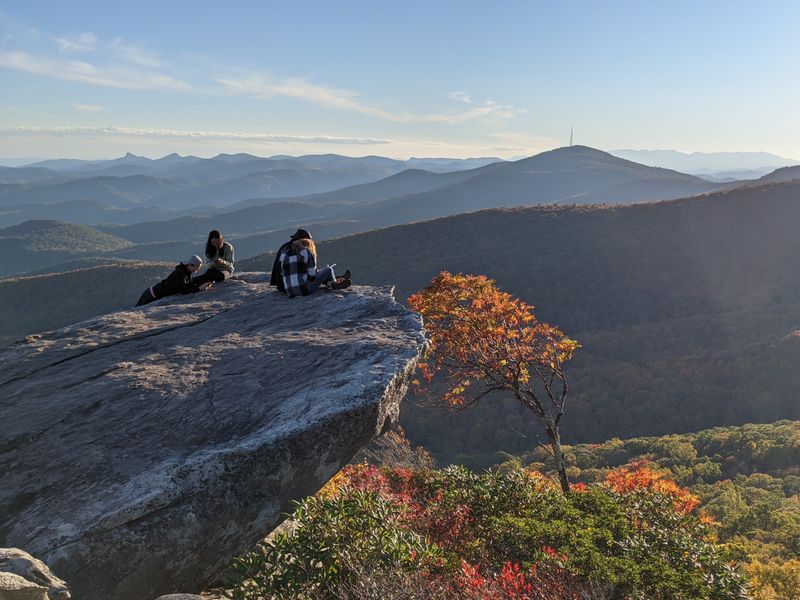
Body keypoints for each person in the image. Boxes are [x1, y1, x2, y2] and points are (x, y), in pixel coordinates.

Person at [279, 238, 351, 297]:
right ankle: (334, 283)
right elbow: (312, 275)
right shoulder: (306, 251)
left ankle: (335, 280)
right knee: (328, 270)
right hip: (304, 290)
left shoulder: (284, 254)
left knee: (320, 274)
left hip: (290, 291)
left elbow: (281, 272)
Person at [135, 255, 211, 306]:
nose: (197, 270)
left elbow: (188, 285)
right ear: (190, 265)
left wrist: (202, 285)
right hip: (151, 295)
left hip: (152, 293)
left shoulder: (186, 272)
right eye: (196, 268)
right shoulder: (180, 273)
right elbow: (183, 290)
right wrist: (199, 288)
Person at [271, 228, 311, 292]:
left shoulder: (285, 246)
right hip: (288, 286)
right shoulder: (297, 249)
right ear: (302, 239)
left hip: (281, 285)